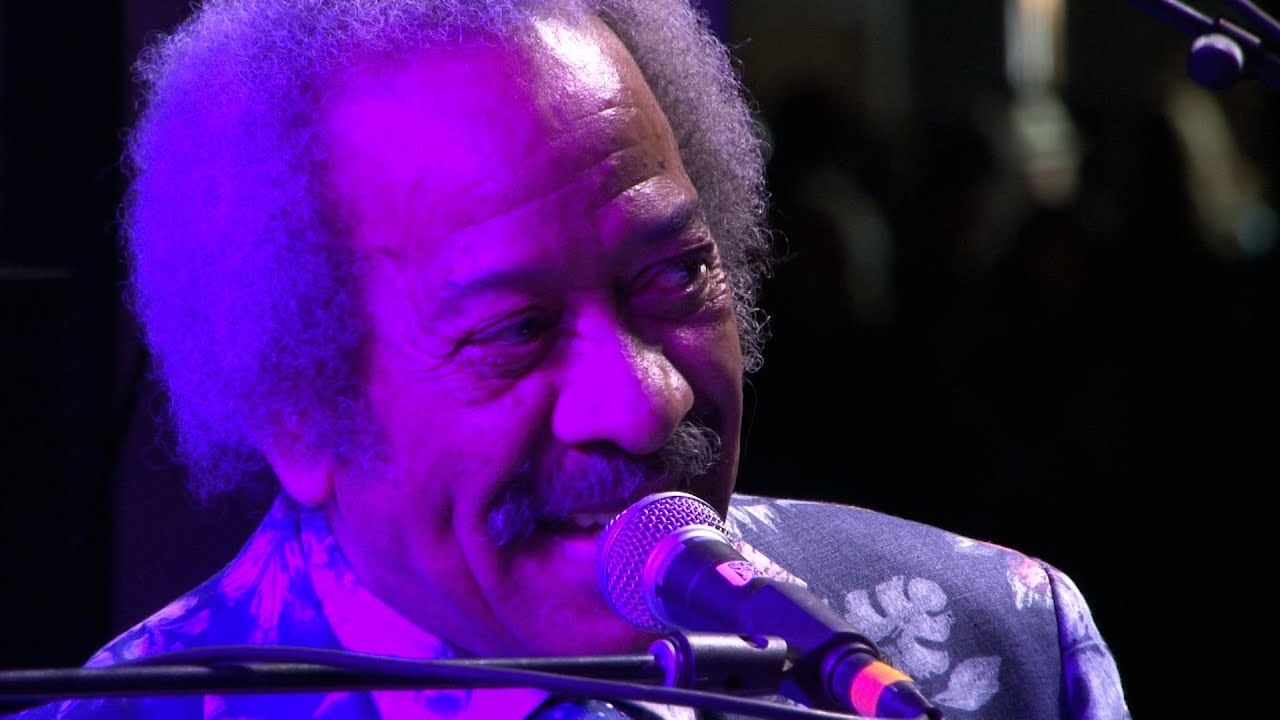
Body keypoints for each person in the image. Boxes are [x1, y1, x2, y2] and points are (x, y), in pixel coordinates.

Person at [8, 0, 1129, 718]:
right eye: (516, 329)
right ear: (300, 404)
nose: (645, 403)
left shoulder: (993, 650)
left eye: (674, 276)